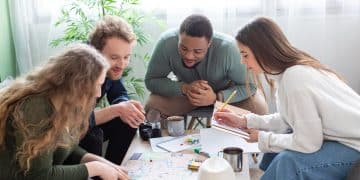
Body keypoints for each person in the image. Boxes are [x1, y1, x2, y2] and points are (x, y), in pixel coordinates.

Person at [214, 17, 360, 179]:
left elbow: (308, 143)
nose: (242, 61)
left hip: (355, 146)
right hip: (344, 140)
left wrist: (262, 138)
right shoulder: (289, 73)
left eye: (245, 55)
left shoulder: (295, 78)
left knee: (287, 161)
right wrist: (246, 121)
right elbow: (288, 120)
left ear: (263, 50)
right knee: (279, 139)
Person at [0, 44, 129, 179]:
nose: (98, 93)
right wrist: (95, 168)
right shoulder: (35, 109)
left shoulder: (69, 104)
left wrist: (100, 162)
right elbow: (40, 176)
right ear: (77, 85)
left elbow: (65, 147)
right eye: (96, 85)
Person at [145, 14, 268, 119]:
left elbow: (250, 86)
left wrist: (216, 98)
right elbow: (151, 80)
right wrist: (184, 88)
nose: (189, 56)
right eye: (183, 48)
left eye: (197, 51)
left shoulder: (229, 48)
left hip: (224, 96)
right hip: (187, 95)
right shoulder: (166, 42)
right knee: (152, 106)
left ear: (209, 43)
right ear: (178, 38)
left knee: (259, 108)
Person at [80, 15, 145, 165]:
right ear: (95, 52)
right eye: (114, 57)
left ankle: (115, 169)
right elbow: (76, 122)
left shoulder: (109, 68)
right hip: (68, 133)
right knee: (93, 136)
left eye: (126, 57)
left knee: (128, 120)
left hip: (85, 124)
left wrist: (126, 107)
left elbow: (119, 93)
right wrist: (118, 109)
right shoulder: (80, 69)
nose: (121, 64)